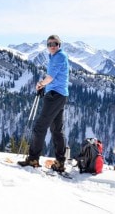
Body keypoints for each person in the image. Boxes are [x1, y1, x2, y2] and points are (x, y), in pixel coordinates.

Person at [18, 35, 69, 172]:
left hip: (54, 96)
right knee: (57, 130)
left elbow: (51, 77)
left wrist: (41, 84)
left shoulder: (59, 56)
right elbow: (52, 78)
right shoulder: (56, 56)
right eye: (49, 44)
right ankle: (60, 162)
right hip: (60, 94)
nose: (52, 46)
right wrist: (44, 86)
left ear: (59, 45)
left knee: (40, 127)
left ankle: (33, 159)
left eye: (55, 43)